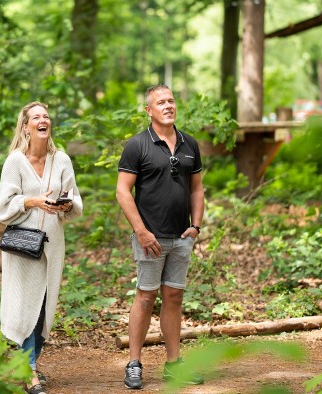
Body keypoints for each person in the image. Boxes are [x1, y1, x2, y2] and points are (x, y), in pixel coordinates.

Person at [116, 84, 205, 389]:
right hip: (150, 239)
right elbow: (122, 191)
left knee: (174, 298)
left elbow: (197, 189)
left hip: (181, 237)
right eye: (161, 102)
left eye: (171, 101)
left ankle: (174, 365)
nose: (168, 106)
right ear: (149, 110)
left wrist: (196, 226)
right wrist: (141, 231)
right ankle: (134, 364)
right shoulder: (137, 145)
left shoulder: (189, 144)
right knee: (144, 297)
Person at [0, 101, 83, 394]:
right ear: (26, 127)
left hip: (52, 246)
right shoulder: (15, 162)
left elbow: (75, 201)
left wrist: (67, 204)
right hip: (23, 249)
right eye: (36, 117)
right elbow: (4, 209)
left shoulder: (62, 160)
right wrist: (32, 201)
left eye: (46, 116)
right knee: (25, 309)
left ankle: (27, 363)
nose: (43, 120)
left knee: (44, 310)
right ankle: (29, 371)